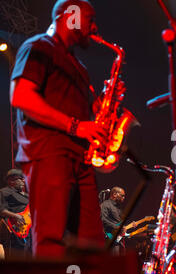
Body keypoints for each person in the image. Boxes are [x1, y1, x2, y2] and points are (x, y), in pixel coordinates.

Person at [9, 0, 111, 257]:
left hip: (82, 161)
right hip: (49, 155)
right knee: (50, 242)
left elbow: (87, 114)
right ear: (71, 16)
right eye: (90, 19)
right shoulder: (38, 46)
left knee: (92, 246)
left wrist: (105, 105)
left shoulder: (80, 68)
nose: (95, 26)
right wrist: (75, 126)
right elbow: (21, 96)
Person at [0, 169, 32, 258]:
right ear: (11, 181)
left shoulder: (27, 195)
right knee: (16, 255)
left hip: (28, 229)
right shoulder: (5, 192)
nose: (23, 180)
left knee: (28, 253)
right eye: (20, 178)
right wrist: (15, 215)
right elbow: (1, 209)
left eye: (23, 178)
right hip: (14, 228)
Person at [100, 186, 133, 254]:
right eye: (122, 196)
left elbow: (118, 222)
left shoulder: (118, 208)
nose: (124, 198)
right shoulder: (105, 204)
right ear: (114, 194)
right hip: (108, 239)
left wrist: (124, 227)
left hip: (117, 239)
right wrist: (116, 227)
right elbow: (103, 220)